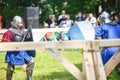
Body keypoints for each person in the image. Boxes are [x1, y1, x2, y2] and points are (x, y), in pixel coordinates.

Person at [1, 16, 35, 80]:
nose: (21, 25)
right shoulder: (9, 33)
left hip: (22, 52)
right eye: (19, 24)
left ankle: (29, 78)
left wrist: (28, 36)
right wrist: (13, 46)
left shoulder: (23, 31)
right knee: (10, 68)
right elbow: (3, 44)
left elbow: (27, 41)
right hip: (13, 53)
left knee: (31, 62)